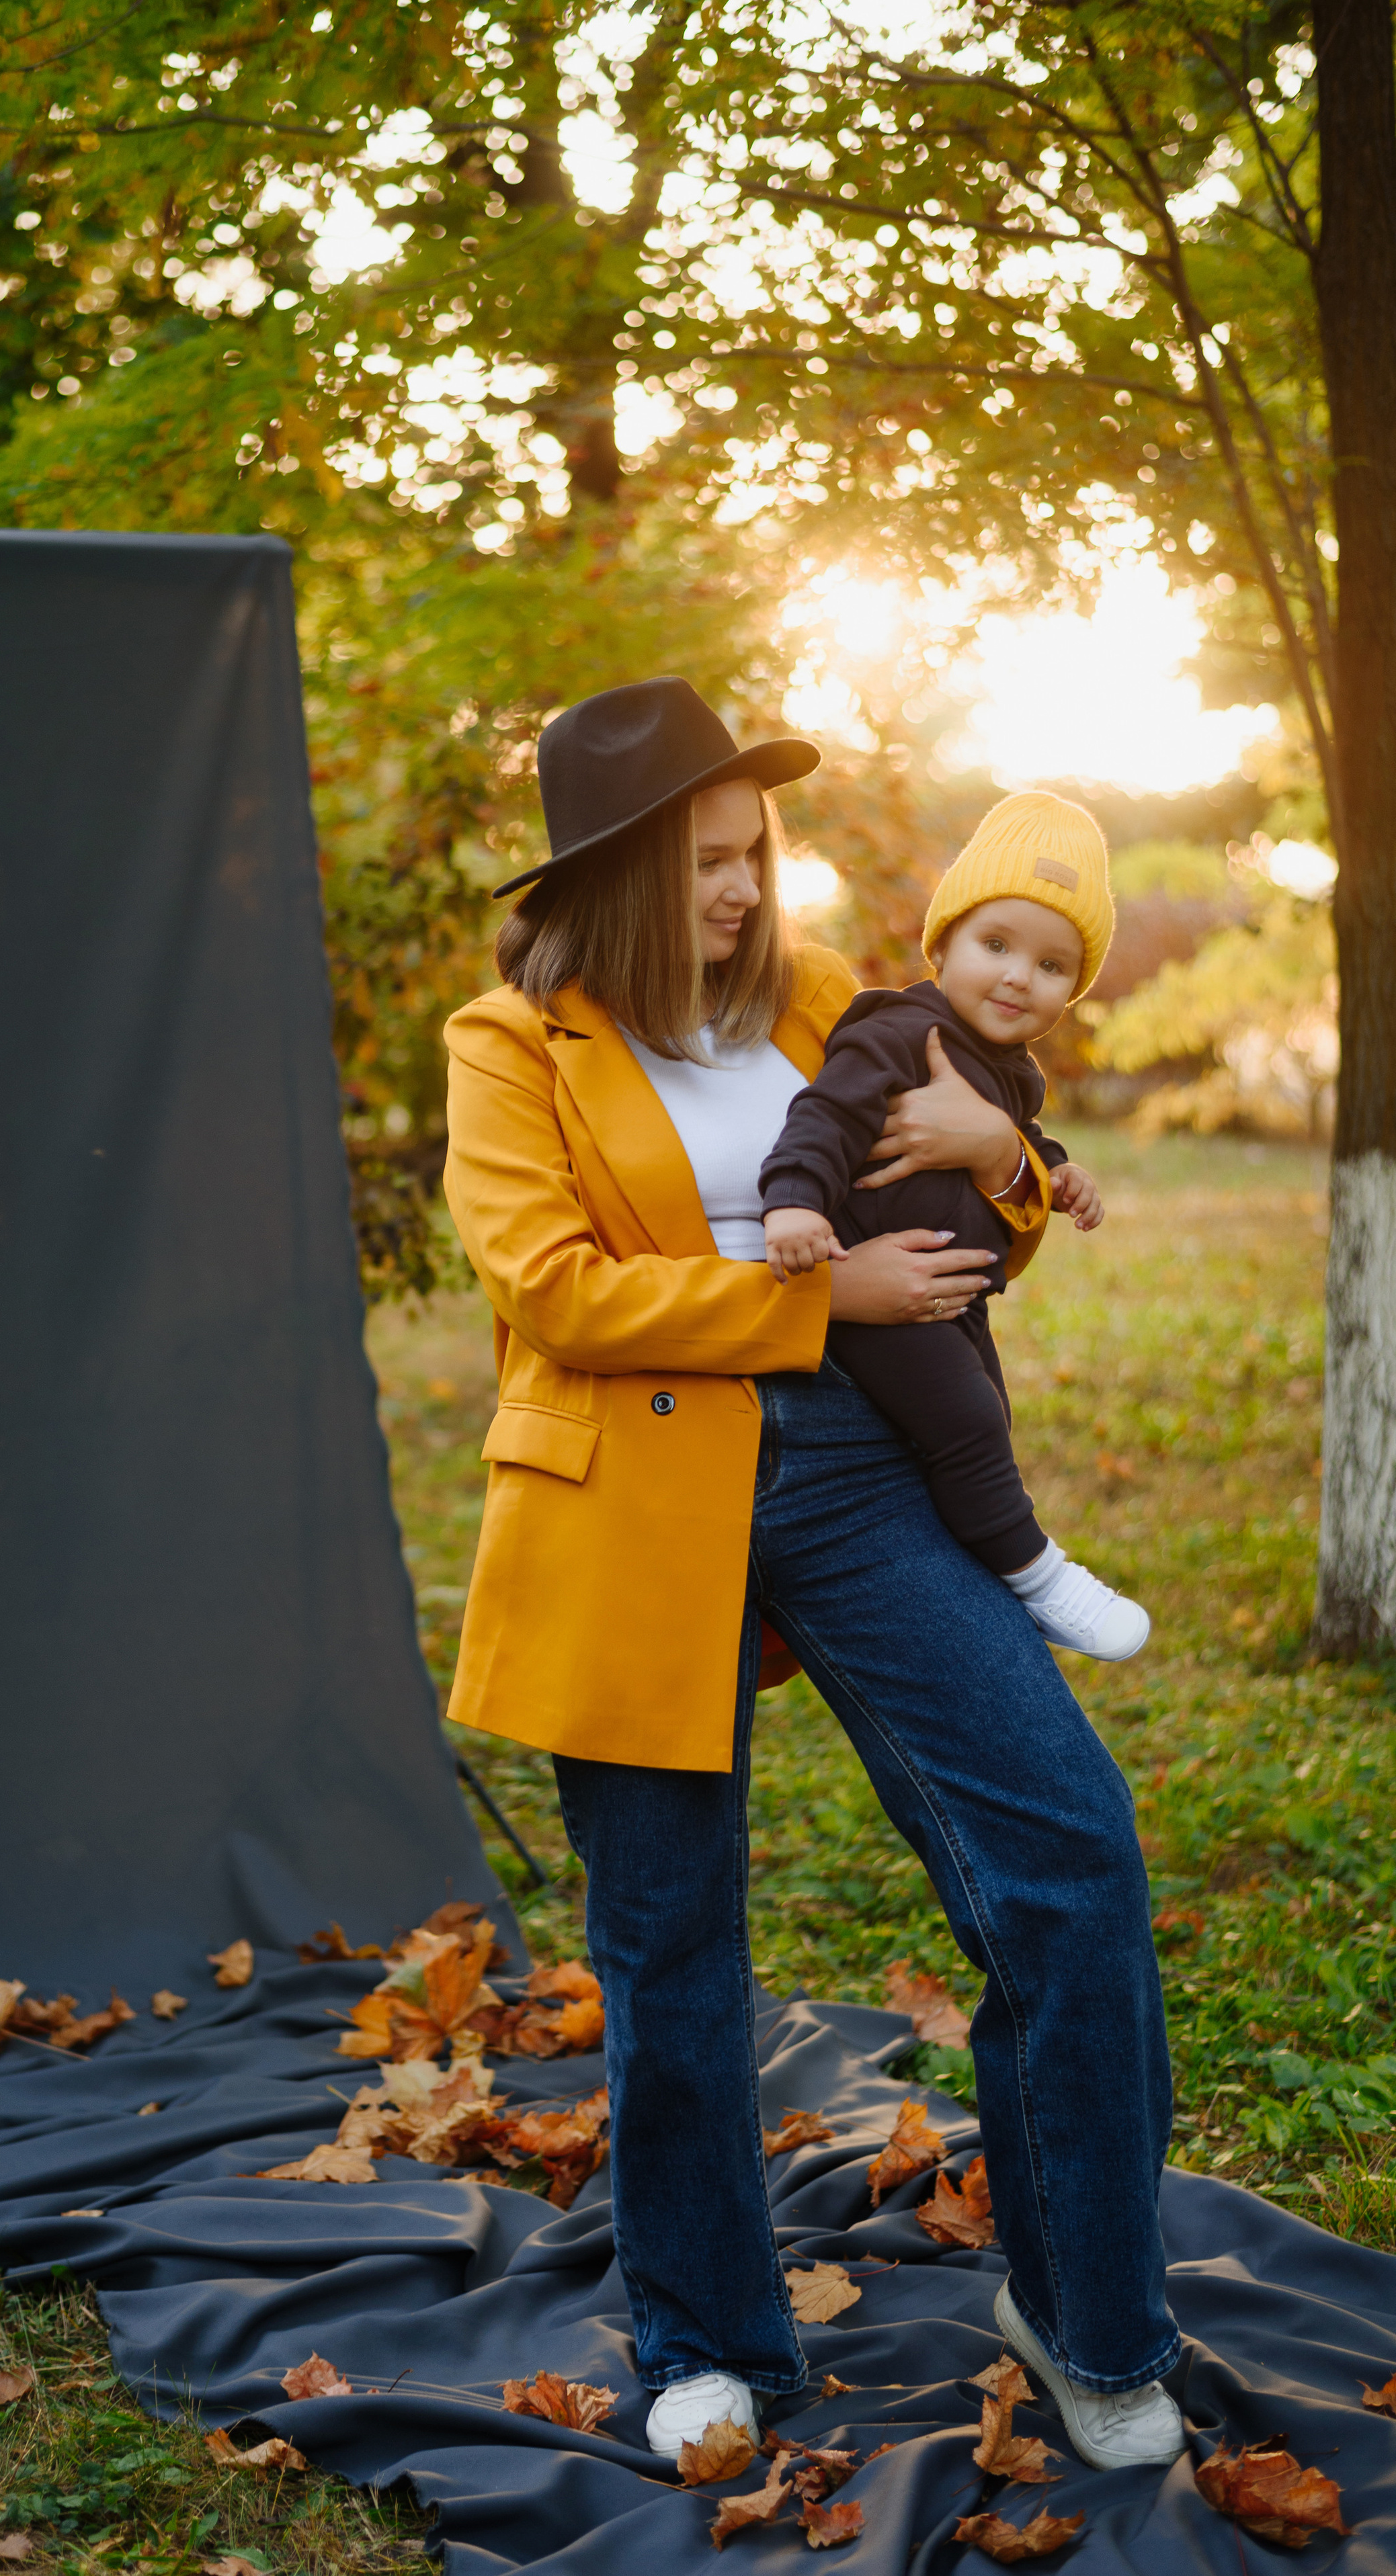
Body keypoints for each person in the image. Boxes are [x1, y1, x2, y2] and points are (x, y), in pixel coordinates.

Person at [442, 677, 1184, 2476]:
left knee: (1071, 1867)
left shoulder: (830, 990)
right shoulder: (510, 1041)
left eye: (753, 851)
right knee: (673, 1948)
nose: (743, 888)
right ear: (614, 872)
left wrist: (1009, 1161)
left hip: (857, 1473)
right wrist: (805, 1294)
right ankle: (708, 2342)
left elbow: (981, 1188)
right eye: (707, 860)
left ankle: (1087, 2315)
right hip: (627, 1502)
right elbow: (548, 1285)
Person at [757, 791, 1149, 1661]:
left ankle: (979, 1561)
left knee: (983, 1422)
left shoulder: (1015, 1074)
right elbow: (823, 1116)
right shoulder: (897, 1030)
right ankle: (1039, 1572)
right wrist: (794, 1200)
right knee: (966, 1421)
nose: (1018, 976)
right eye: (996, 944)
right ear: (945, 945)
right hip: (881, 1285)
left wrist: (1055, 1174)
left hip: (953, 1296)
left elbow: (1025, 1151)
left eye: (1052, 965)